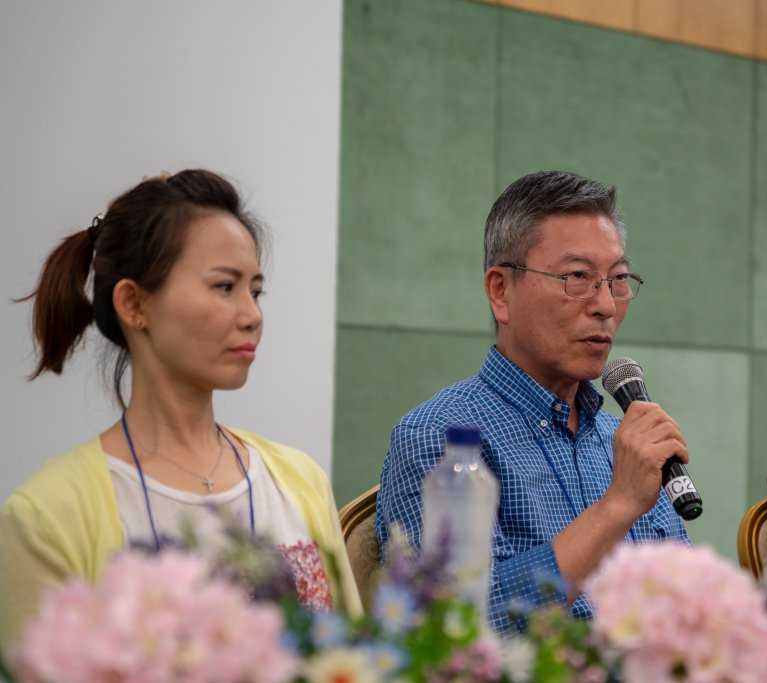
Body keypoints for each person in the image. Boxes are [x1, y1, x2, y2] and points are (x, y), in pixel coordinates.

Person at [0, 170, 361, 653]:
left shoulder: (299, 481)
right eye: (224, 286)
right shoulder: (46, 517)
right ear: (134, 303)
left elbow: (356, 662)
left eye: (255, 291)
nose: (252, 315)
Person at [375, 170, 691, 631]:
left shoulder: (622, 443)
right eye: (578, 277)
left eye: (618, 279)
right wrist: (616, 506)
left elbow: (685, 609)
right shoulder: (440, 440)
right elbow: (452, 629)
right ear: (500, 291)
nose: (605, 305)